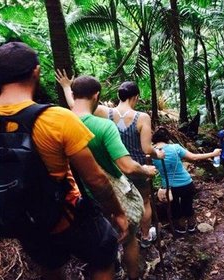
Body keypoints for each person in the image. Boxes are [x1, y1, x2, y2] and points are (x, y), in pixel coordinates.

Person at [0, 42, 128, 280]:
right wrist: (117, 212)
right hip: (66, 217)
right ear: (36, 72)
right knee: (104, 252)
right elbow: (96, 179)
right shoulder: (56, 118)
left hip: (22, 222)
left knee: (49, 265)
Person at [62, 75, 158, 280]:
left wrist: (65, 86)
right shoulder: (104, 126)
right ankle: (133, 274)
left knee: (103, 237)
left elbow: (76, 107)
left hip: (78, 197)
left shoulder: (61, 122)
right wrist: (147, 169)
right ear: (96, 95)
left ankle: (114, 267)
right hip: (111, 189)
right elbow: (127, 166)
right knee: (129, 237)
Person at [151, 127, 221, 233]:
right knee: (187, 205)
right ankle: (192, 226)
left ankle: (181, 228)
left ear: (154, 139)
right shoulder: (175, 148)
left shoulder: (151, 152)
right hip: (186, 183)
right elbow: (194, 157)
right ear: (167, 138)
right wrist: (213, 154)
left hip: (169, 187)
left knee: (175, 207)